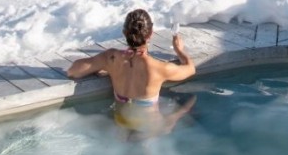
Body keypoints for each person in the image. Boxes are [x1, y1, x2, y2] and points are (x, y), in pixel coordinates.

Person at [67, 8, 196, 132]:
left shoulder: (111, 58)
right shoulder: (159, 68)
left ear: (124, 33)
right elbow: (190, 69)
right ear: (150, 34)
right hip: (149, 128)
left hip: (121, 122)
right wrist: (179, 50)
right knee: (187, 104)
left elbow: (73, 71)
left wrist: (100, 68)